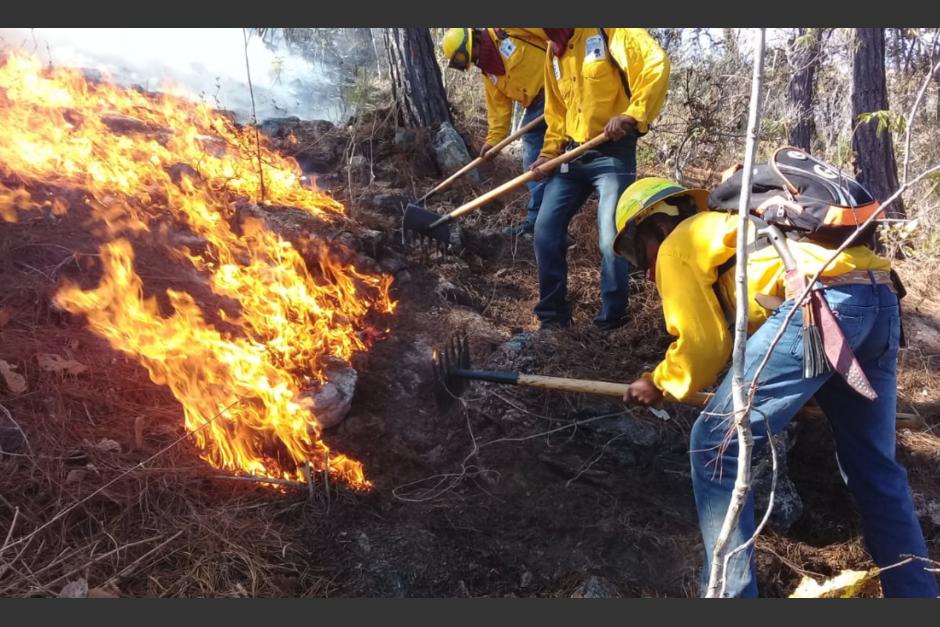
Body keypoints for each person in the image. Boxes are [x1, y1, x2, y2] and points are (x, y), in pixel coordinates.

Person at [613, 173, 939, 597]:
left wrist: (657, 382)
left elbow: (704, 346)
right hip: (876, 298)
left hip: (821, 306)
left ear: (655, 226)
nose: (645, 264)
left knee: (716, 443)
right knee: (875, 467)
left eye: (638, 251)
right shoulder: (736, 228)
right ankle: (916, 596)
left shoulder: (681, 242)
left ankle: (729, 597)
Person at [528, 28, 669, 331]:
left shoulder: (609, 30)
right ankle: (552, 317)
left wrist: (631, 114)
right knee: (545, 230)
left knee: (610, 238)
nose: (548, 34)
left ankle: (612, 319)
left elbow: (656, 64)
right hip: (572, 154)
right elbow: (556, 111)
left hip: (612, 153)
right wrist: (548, 153)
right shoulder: (554, 53)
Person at [441, 28, 550, 237]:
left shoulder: (507, 30)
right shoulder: (488, 71)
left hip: (562, 90)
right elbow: (499, 110)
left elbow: (555, 36)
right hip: (536, 107)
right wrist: (493, 142)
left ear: (469, 44)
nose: (468, 63)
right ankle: (537, 224)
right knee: (532, 165)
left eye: (463, 58)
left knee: (575, 156)